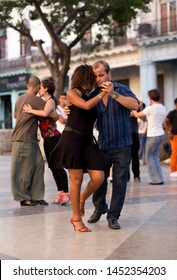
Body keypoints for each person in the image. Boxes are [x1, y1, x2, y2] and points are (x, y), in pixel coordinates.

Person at [50, 64, 107, 232]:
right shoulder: (72, 93)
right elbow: (87, 106)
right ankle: (76, 219)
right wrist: (102, 93)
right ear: (86, 77)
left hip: (87, 140)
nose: (96, 79)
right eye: (93, 76)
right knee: (76, 179)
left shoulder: (94, 93)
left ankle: (81, 199)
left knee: (98, 177)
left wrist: (103, 92)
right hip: (71, 138)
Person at [88, 60, 139, 230]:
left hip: (122, 145)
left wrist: (114, 94)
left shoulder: (122, 89)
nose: (99, 79)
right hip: (103, 145)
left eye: (101, 75)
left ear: (109, 74)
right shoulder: (94, 94)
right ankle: (100, 207)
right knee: (98, 181)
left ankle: (113, 216)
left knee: (119, 183)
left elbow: (135, 105)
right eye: (95, 76)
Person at [11, 76, 57, 206]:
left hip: (30, 138)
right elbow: (54, 115)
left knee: (38, 165)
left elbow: (15, 115)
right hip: (22, 138)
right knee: (23, 169)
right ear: (38, 87)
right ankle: (23, 198)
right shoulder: (36, 100)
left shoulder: (20, 98)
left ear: (27, 86)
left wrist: (29, 115)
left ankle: (37, 196)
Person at [23, 79, 69, 205]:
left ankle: (66, 193)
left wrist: (30, 110)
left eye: (41, 87)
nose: (39, 89)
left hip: (54, 138)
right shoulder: (43, 101)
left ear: (46, 89)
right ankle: (60, 193)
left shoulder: (50, 101)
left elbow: (44, 113)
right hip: (46, 139)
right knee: (53, 167)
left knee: (58, 166)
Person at [132, 89, 166, 185]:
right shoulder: (162, 107)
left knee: (149, 157)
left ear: (150, 97)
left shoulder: (151, 108)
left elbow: (137, 115)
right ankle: (159, 178)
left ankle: (155, 180)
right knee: (155, 156)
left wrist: (133, 111)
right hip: (160, 133)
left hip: (153, 135)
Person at [163, 98, 177, 177]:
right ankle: (173, 170)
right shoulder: (172, 113)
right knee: (175, 153)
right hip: (174, 135)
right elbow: (165, 121)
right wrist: (169, 131)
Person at [128, 112, 140, 183]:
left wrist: (135, 113)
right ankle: (126, 176)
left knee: (135, 156)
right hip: (124, 134)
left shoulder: (134, 109)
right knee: (125, 157)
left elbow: (143, 118)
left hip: (134, 134)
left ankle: (136, 176)